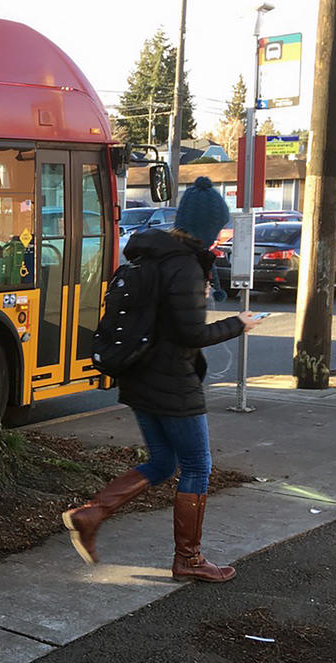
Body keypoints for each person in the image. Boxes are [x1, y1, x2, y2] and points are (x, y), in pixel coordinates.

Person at [62, 176, 264, 582]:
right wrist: (238, 324)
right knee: (196, 466)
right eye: (219, 227)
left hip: (140, 378)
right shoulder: (185, 266)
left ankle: (91, 514)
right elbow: (192, 334)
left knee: (162, 461)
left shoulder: (149, 256)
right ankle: (188, 559)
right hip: (172, 383)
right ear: (207, 228)